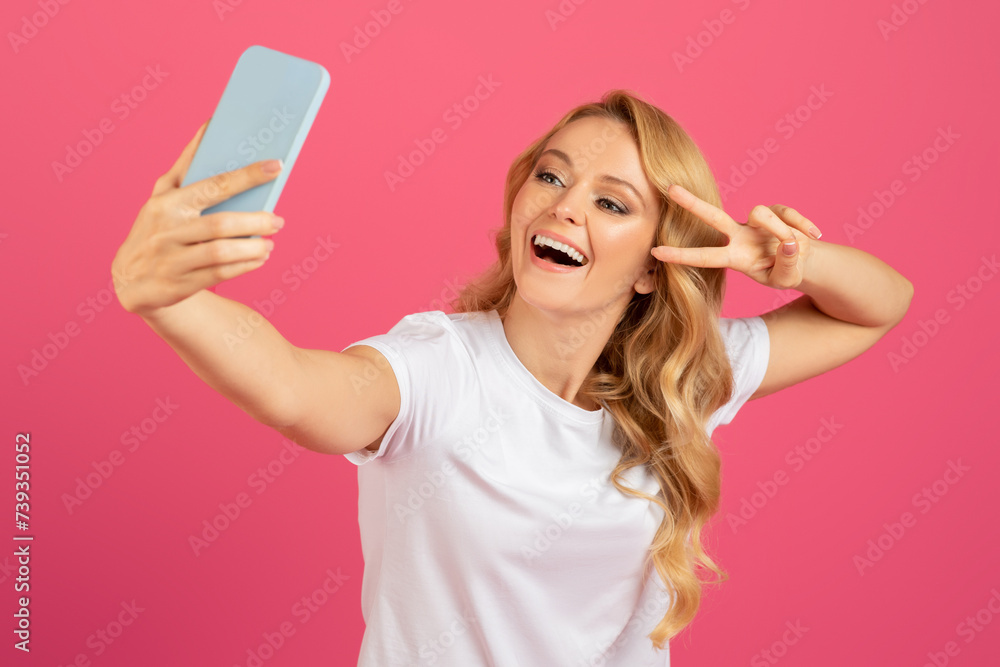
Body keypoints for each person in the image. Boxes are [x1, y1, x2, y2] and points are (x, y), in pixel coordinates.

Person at [111, 89, 914, 666]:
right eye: (553, 177)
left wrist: (797, 260)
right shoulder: (441, 367)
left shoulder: (677, 381)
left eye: (612, 202)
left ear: (653, 263)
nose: (565, 208)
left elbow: (879, 305)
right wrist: (169, 300)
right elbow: (293, 389)